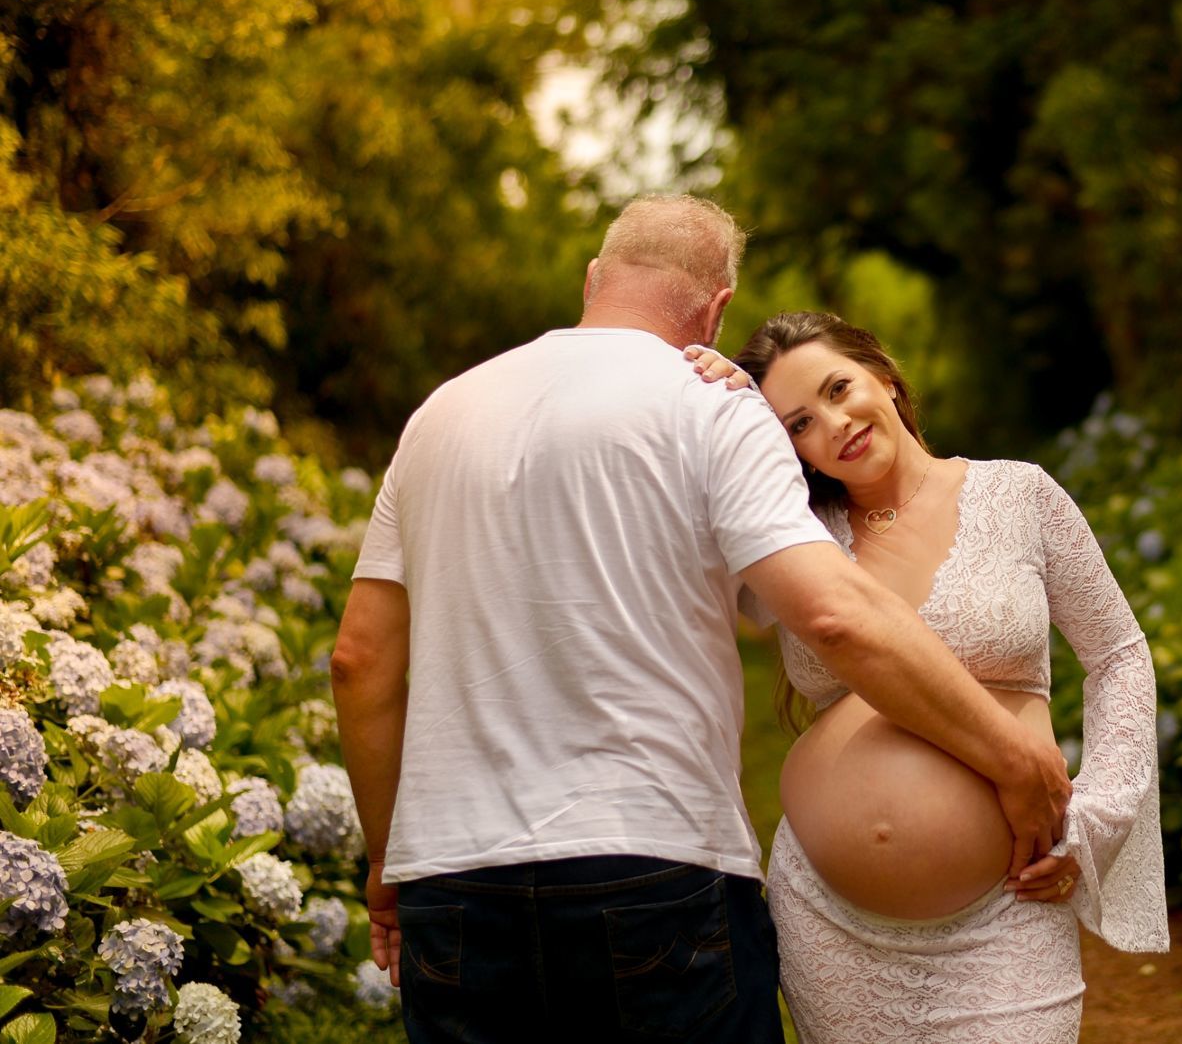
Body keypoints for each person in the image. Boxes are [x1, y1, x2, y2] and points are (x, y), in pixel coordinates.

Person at [330, 196, 1071, 1044]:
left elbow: (359, 659)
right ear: (717, 309)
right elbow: (832, 614)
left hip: (453, 889)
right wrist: (1015, 758)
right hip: (651, 872)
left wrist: (387, 859)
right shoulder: (709, 406)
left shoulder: (440, 417)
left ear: (594, 278)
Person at [693, 312, 1168, 1044]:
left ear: (881, 373)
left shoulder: (1019, 496)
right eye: (798, 423)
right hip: (828, 921)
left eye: (838, 387)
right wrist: (715, 404)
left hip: (1009, 907)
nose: (834, 422)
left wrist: (1099, 816)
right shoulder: (792, 536)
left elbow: (1118, 655)